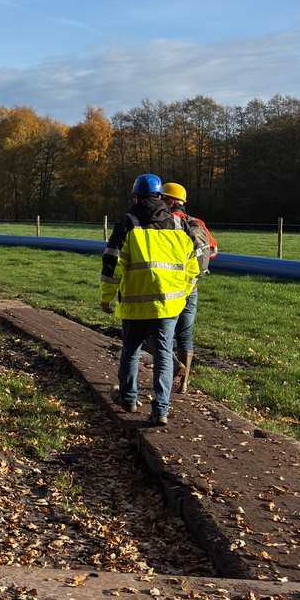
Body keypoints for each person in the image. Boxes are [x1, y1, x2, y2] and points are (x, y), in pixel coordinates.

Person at [100, 173, 199, 426]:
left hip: (135, 304)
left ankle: (129, 398)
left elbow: (112, 262)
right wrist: (184, 292)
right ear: (160, 196)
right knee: (164, 354)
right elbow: (193, 265)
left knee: (131, 350)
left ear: (135, 196)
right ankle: (161, 410)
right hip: (169, 304)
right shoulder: (178, 224)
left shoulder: (129, 222)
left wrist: (106, 297)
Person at [161, 182, 218, 393]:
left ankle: (175, 367)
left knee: (161, 331)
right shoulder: (197, 223)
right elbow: (212, 251)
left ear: (168, 201)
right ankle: (184, 384)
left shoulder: (164, 222)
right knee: (186, 334)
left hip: (170, 286)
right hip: (191, 286)